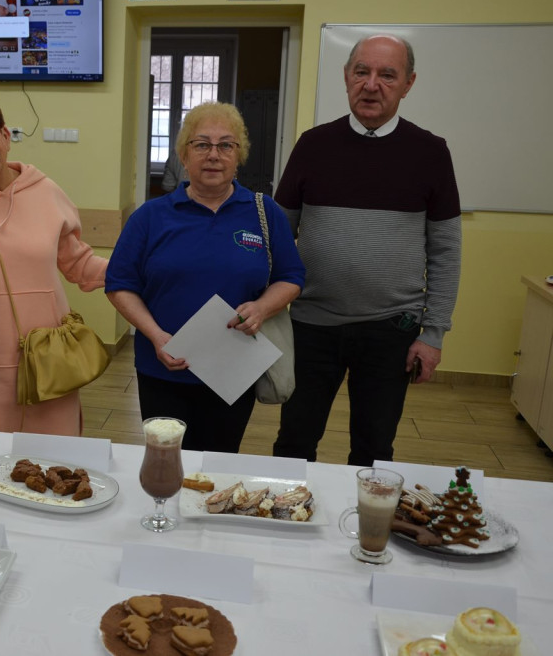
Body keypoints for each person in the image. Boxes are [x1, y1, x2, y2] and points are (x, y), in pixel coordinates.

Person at [271, 34, 461, 466]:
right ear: (346, 77)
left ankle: (365, 534)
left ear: (408, 84)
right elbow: (279, 238)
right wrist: (267, 311)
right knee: (293, 445)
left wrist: (433, 335)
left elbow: (446, 252)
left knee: (374, 453)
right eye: (362, 71)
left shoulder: (431, 153)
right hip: (311, 326)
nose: (371, 84)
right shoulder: (312, 145)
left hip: (391, 331)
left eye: (387, 75)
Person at [106, 102, 305, 453]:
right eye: (202, 145)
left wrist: (261, 308)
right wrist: (154, 335)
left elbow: (291, 276)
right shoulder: (150, 217)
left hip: (234, 368)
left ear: (238, 155)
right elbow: (120, 284)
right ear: (184, 155)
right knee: (165, 459)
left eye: (225, 145)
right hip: (162, 368)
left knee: (219, 462)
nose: (214, 155)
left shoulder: (263, 212)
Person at [0, 94, 107, 435]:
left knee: (56, 465)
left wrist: (140, 270)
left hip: (52, 359)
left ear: (5, 135)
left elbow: (78, 264)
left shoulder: (45, 190)